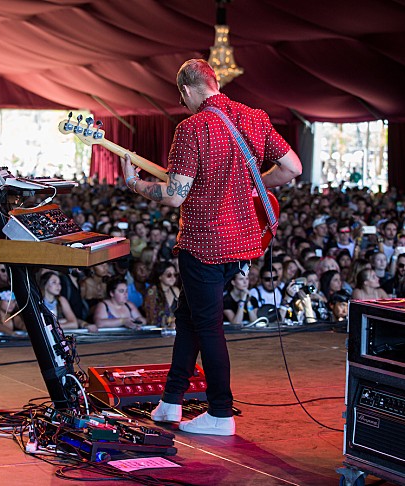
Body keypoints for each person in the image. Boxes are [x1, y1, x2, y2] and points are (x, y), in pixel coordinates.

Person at [121, 58, 302, 435]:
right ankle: (170, 403)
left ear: (186, 90)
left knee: (207, 325)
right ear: (215, 82)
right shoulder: (254, 117)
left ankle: (221, 412)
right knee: (190, 318)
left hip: (204, 243)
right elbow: (292, 168)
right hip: (243, 243)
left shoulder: (192, 129)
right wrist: (255, 186)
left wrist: (135, 184)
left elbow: (174, 195)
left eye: (181, 96)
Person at [144, 261, 181, 328]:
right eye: (169, 275)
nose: (173, 278)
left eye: (175, 275)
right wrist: (171, 321)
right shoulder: (152, 291)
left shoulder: (175, 290)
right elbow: (151, 319)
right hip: (157, 333)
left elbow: (183, 312)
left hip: (175, 331)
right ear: (160, 276)